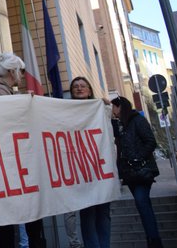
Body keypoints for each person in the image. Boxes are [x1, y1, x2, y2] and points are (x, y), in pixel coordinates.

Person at [0, 53, 45, 248]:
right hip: (9, 164)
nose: (23, 76)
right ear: (11, 71)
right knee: (16, 220)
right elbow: (4, 123)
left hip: (9, 163)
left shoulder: (1, 90)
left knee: (10, 221)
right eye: (21, 72)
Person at [111, 96, 162, 248]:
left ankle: (154, 242)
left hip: (143, 171)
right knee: (143, 206)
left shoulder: (137, 120)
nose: (112, 110)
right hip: (131, 174)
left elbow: (151, 141)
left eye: (114, 107)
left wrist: (138, 158)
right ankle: (152, 240)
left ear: (120, 107)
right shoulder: (120, 125)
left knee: (142, 203)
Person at [70, 76, 108, 248]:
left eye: (82, 86)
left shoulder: (100, 109)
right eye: (75, 86)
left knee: (103, 214)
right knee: (87, 214)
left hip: (101, 168)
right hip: (81, 172)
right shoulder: (66, 110)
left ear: (90, 90)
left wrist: (106, 105)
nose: (79, 88)